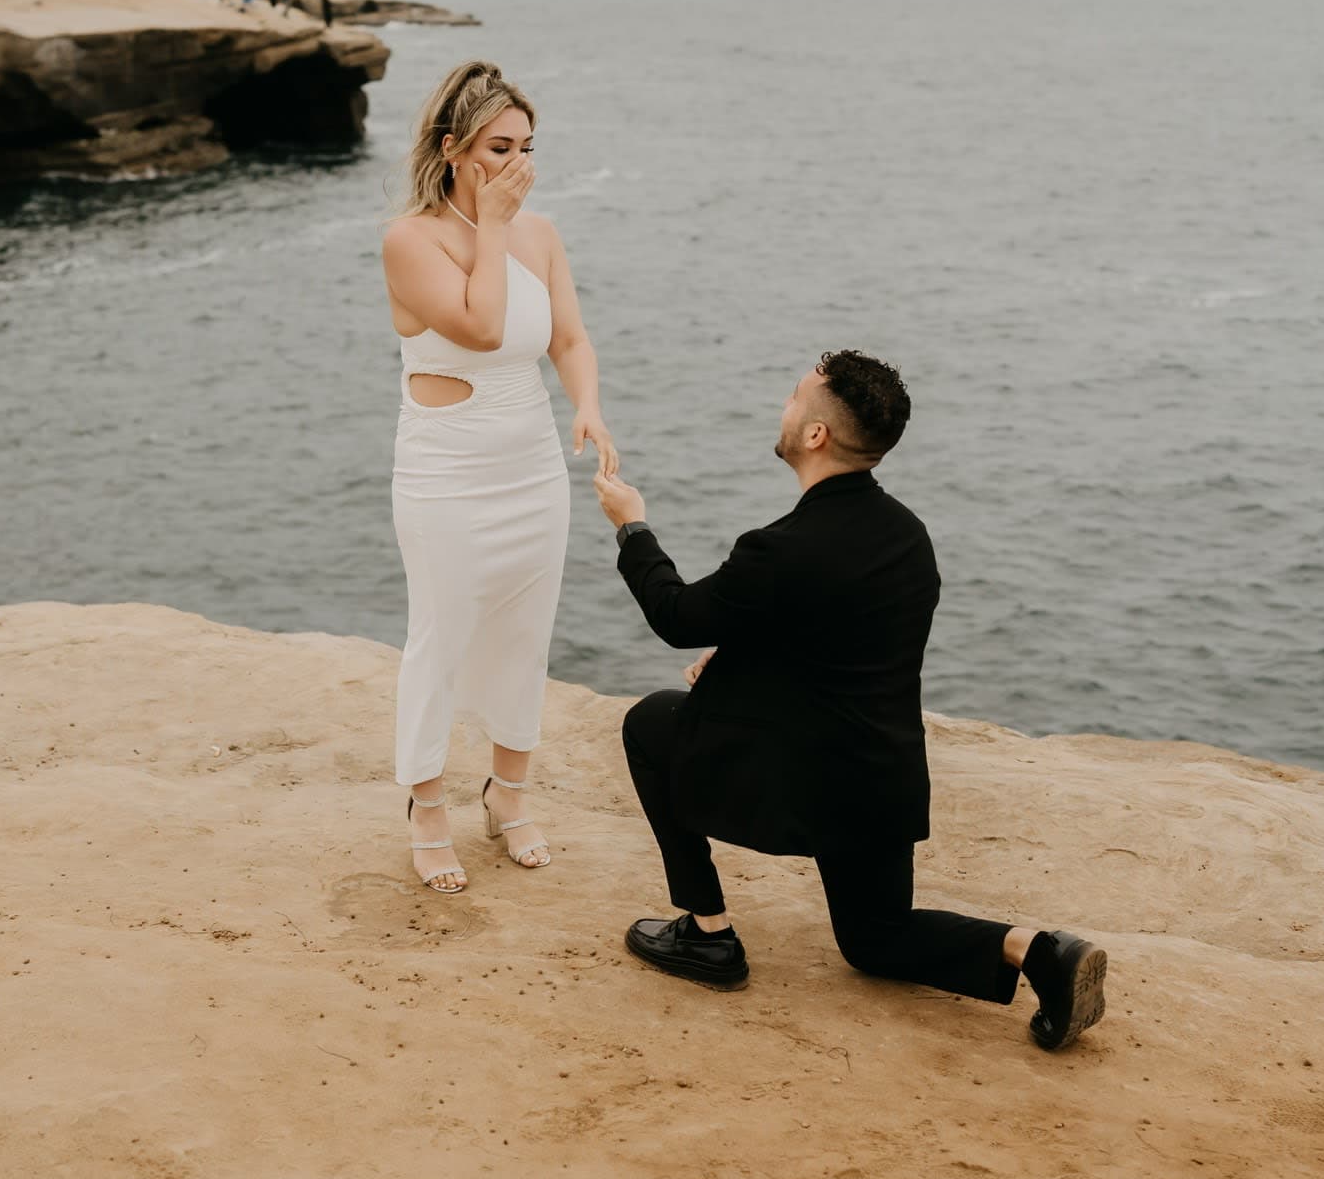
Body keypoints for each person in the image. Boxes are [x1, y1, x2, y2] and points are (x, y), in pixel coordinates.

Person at [592, 352, 1111, 1051]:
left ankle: (706, 933)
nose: (782, 406)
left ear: (815, 435)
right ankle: (1042, 950)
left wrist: (632, 526)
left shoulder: (778, 549)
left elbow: (677, 616)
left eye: (793, 398)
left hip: (803, 781)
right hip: (878, 783)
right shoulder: (906, 536)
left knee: (652, 722)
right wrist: (739, 658)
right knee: (875, 940)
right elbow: (840, 650)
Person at [380, 60, 620, 894]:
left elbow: (570, 340)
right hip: (445, 472)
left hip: (530, 468)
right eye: (497, 148)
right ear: (452, 150)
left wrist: (586, 404)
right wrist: (489, 224)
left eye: (527, 147)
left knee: (525, 637)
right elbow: (481, 328)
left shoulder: (541, 234)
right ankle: (425, 807)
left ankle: (508, 795)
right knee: (440, 636)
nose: (516, 164)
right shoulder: (410, 239)